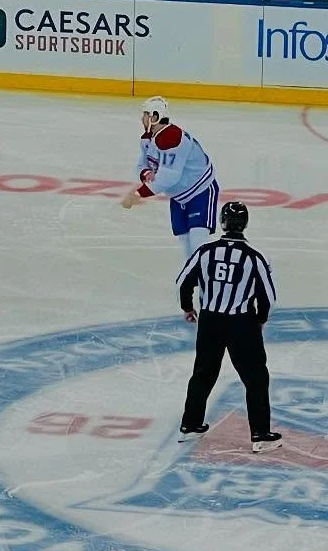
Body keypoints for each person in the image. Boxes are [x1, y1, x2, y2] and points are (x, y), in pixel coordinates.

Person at [174, 201, 282, 451]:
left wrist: (187, 308)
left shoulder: (205, 252)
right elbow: (268, 297)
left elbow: (183, 282)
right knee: (255, 377)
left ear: (223, 222)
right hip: (242, 323)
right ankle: (260, 435)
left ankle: (190, 426)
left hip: (210, 321)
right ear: (244, 224)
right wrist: (260, 320)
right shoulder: (255, 257)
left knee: (203, 373)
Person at [119, 95, 222, 262]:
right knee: (188, 249)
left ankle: (208, 287)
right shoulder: (147, 139)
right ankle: (193, 282)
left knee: (198, 245)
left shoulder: (172, 139)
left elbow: (169, 178)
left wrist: (137, 195)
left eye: (145, 114)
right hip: (178, 197)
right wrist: (147, 174)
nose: (142, 118)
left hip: (200, 191)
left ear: (154, 116)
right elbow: (141, 166)